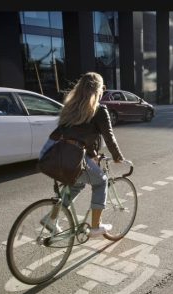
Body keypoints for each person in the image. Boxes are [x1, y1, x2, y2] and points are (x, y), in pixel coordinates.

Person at [41, 72, 125, 237]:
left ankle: (52, 219)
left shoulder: (70, 108)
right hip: (76, 157)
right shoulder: (99, 110)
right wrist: (117, 156)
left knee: (77, 184)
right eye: (103, 88)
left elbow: (71, 134)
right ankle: (95, 226)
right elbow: (108, 136)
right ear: (99, 89)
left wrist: (93, 153)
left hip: (60, 155)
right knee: (101, 181)